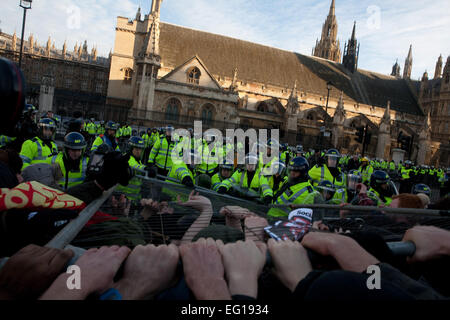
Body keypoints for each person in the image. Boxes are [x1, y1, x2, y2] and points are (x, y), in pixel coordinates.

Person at [117, 136, 148, 204]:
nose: (139, 152)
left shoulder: (138, 160)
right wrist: (146, 168)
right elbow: (135, 167)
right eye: (137, 149)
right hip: (123, 198)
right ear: (130, 148)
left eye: (140, 149)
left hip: (132, 198)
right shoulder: (127, 158)